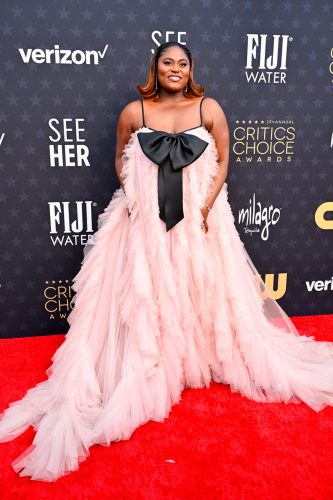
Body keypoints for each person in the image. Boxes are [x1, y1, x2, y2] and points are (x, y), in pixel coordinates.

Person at [1, 41, 333, 483]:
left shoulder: (209, 108)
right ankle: (156, 361)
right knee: (147, 294)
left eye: (182, 63)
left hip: (200, 224)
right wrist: (137, 202)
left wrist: (206, 209)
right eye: (166, 63)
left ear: (190, 69)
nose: (174, 69)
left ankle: (199, 354)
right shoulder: (134, 112)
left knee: (205, 290)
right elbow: (121, 159)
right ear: (154, 69)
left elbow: (224, 161)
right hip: (145, 228)